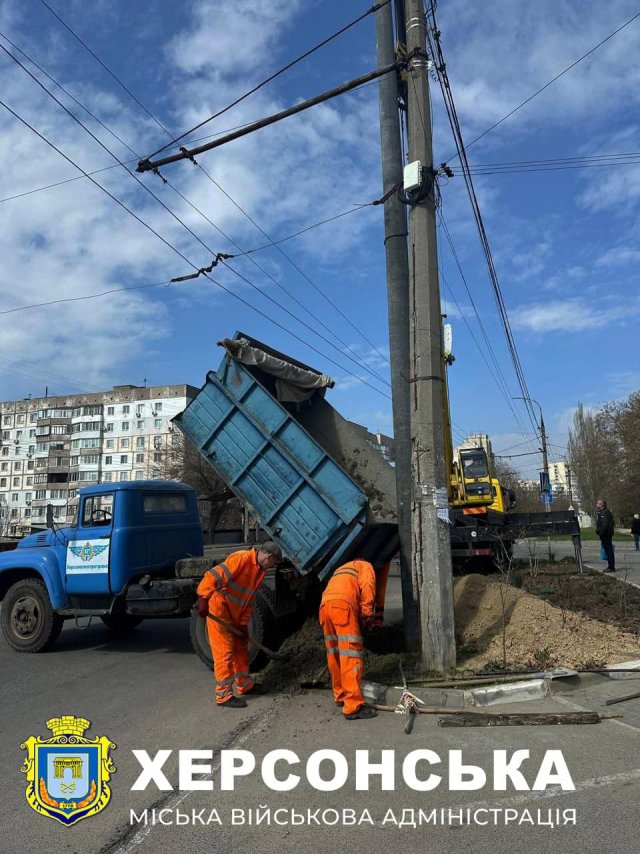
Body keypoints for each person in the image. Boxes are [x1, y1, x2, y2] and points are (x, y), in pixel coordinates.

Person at [197, 541, 282, 708]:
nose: (273, 566)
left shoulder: (259, 571)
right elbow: (212, 576)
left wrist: (243, 624)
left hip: (235, 614)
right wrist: (203, 598)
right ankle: (223, 696)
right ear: (269, 557)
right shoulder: (241, 559)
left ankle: (244, 685)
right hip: (219, 609)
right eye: (274, 563)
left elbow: (248, 600)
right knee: (225, 652)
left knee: (241, 648)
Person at [319, 558, 377, 720]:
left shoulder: (343, 568)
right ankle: (353, 705)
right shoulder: (366, 566)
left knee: (334, 653)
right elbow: (368, 586)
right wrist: (366, 614)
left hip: (325, 607)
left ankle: (341, 695)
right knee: (350, 655)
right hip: (342, 607)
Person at [595, 499, 615, 573]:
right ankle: (610, 566)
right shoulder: (604, 512)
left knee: (609, 551)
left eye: (598, 503)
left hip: (606, 534)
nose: (596, 505)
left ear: (601, 505)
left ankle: (611, 567)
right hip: (607, 534)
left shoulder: (604, 512)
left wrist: (599, 532)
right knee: (608, 550)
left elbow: (604, 525)